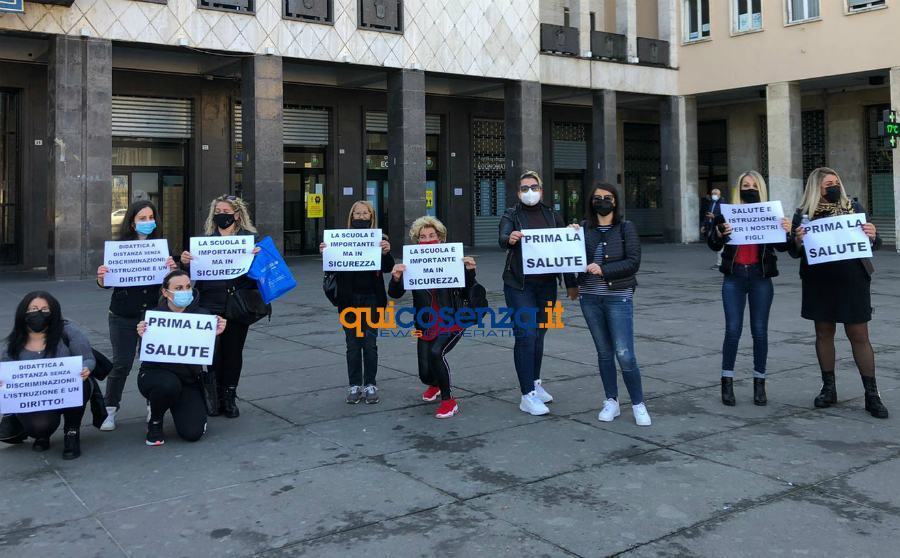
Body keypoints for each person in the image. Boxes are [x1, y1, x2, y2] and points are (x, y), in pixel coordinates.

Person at [789, 167, 887, 418]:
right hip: (819, 281)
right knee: (824, 332)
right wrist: (798, 240)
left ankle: (872, 394)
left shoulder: (854, 208)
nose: (832, 186)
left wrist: (874, 235)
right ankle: (828, 388)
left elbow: (872, 243)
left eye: (835, 182)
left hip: (852, 279)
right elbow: (793, 250)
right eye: (826, 184)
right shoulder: (804, 214)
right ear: (816, 188)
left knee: (859, 334)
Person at [499, 170, 578, 416]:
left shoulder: (552, 215)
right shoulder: (511, 214)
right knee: (525, 335)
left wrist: (571, 282)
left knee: (539, 335)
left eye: (533, 187)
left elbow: (563, 249)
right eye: (524, 188)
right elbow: (502, 237)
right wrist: (509, 238)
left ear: (541, 190)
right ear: (517, 192)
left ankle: (534, 383)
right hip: (519, 284)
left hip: (546, 285)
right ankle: (527, 395)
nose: (529, 191)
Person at [708, 171, 791, 407]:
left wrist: (785, 230)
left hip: (760, 276)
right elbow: (713, 244)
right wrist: (719, 234)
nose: (750, 188)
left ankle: (759, 383)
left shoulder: (770, 213)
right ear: (738, 188)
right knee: (732, 330)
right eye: (745, 185)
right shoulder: (726, 212)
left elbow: (782, 247)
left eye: (754, 185)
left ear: (761, 189)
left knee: (760, 331)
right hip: (734, 276)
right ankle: (727, 381)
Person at [96, 200, 177, 431]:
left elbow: (172, 282)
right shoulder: (119, 248)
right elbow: (106, 283)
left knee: (153, 361)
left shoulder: (161, 247)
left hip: (153, 314)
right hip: (123, 314)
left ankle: (154, 405)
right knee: (121, 363)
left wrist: (173, 268)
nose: (147, 222)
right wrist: (101, 277)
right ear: (132, 222)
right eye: (142, 219)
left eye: (151, 218)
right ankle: (109, 409)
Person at [577, 182, 651, 426]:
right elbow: (570, 261)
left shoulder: (626, 228)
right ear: (591, 202)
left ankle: (638, 403)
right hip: (589, 298)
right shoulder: (583, 228)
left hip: (618, 297)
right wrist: (569, 238)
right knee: (604, 353)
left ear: (616, 201)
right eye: (597, 197)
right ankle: (611, 400)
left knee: (625, 353)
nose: (602, 201)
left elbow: (633, 262)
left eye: (607, 197)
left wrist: (603, 270)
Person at [388, 216, 476, 419]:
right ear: (417, 240)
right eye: (423, 237)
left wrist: (470, 271)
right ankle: (434, 385)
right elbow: (395, 294)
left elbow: (468, 291)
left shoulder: (454, 260)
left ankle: (448, 400)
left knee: (437, 353)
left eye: (432, 236)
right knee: (425, 374)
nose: (427, 240)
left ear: (440, 238)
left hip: (453, 318)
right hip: (425, 322)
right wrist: (396, 278)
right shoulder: (412, 264)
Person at [180, 194, 260, 419]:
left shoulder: (249, 240)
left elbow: (259, 277)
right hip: (209, 303)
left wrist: (258, 259)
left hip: (238, 305)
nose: (222, 216)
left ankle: (229, 397)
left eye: (226, 212)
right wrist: (184, 263)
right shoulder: (204, 242)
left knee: (233, 352)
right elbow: (189, 278)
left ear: (236, 214)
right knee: (213, 353)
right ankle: (214, 396)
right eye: (218, 212)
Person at [136, 270, 226, 446]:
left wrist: (215, 336)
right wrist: (142, 334)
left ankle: (178, 406)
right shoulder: (152, 317)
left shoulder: (203, 316)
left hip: (188, 379)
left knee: (193, 433)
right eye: (178, 288)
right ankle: (155, 421)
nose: (185, 291)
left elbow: (210, 358)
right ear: (165, 292)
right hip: (157, 376)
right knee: (167, 385)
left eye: (187, 287)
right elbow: (146, 353)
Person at [1, 292, 95, 459]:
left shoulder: (67, 331)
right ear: (24, 313)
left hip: (66, 390)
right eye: (33, 309)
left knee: (82, 385)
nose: (39, 313)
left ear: (54, 312)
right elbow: (5, 371)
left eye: (45, 309)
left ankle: (71, 432)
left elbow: (88, 358)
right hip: (34, 397)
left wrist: (85, 368)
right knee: (38, 427)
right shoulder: (13, 342)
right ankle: (41, 435)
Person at [320, 201, 394, 404]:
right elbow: (331, 269)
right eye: (357, 213)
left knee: (369, 344)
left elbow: (388, 268)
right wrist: (327, 253)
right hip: (348, 299)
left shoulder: (381, 239)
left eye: (365, 213)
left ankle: (370, 384)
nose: (361, 217)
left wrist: (386, 253)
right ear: (351, 217)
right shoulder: (340, 239)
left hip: (372, 298)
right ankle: (354, 385)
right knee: (352, 344)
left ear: (372, 216)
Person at [700, 188, 723, 269]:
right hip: (711, 226)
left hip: (719, 227)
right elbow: (707, 215)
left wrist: (714, 216)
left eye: (716, 194)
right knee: (716, 244)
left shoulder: (723, 204)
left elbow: (724, 216)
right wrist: (703, 225)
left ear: (719, 195)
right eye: (713, 193)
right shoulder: (712, 203)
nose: (714, 195)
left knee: (720, 245)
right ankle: (720, 262)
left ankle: (720, 263)